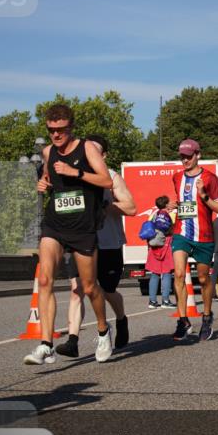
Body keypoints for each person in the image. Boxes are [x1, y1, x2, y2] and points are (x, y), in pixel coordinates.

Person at [25, 105, 114, 365]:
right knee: (44, 280)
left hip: (83, 228)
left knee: (88, 287)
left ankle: (103, 330)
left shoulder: (87, 148)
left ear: (71, 127)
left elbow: (106, 180)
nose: (55, 135)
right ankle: (45, 344)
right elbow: (47, 177)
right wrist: (42, 183)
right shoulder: (47, 152)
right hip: (55, 224)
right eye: (51, 130)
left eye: (60, 130)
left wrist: (75, 172)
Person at [54, 135, 137, 360]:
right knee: (77, 290)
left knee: (107, 291)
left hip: (108, 244)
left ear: (103, 156)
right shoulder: (74, 175)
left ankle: (121, 319)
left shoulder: (111, 177)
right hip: (80, 242)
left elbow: (131, 208)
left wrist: (105, 206)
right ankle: (72, 341)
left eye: (94, 150)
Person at [167, 138, 218, 342]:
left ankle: (207, 316)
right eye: (182, 156)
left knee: (203, 278)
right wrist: (175, 205)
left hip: (204, 236)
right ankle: (183, 320)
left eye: (189, 156)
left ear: (198, 155)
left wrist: (204, 197)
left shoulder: (210, 179)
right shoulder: (176, 178)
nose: (185, 160)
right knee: (179, 274)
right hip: (181, 233)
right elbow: (184, 204)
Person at [146, 196, 175, 308]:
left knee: (155, 273)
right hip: (165, 245)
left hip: (154, 246)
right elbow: (170, 230)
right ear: (166, 204)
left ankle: (152, 301)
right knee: (166, 273)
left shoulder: (154, 215)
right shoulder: (167, 215)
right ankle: (165, 300)